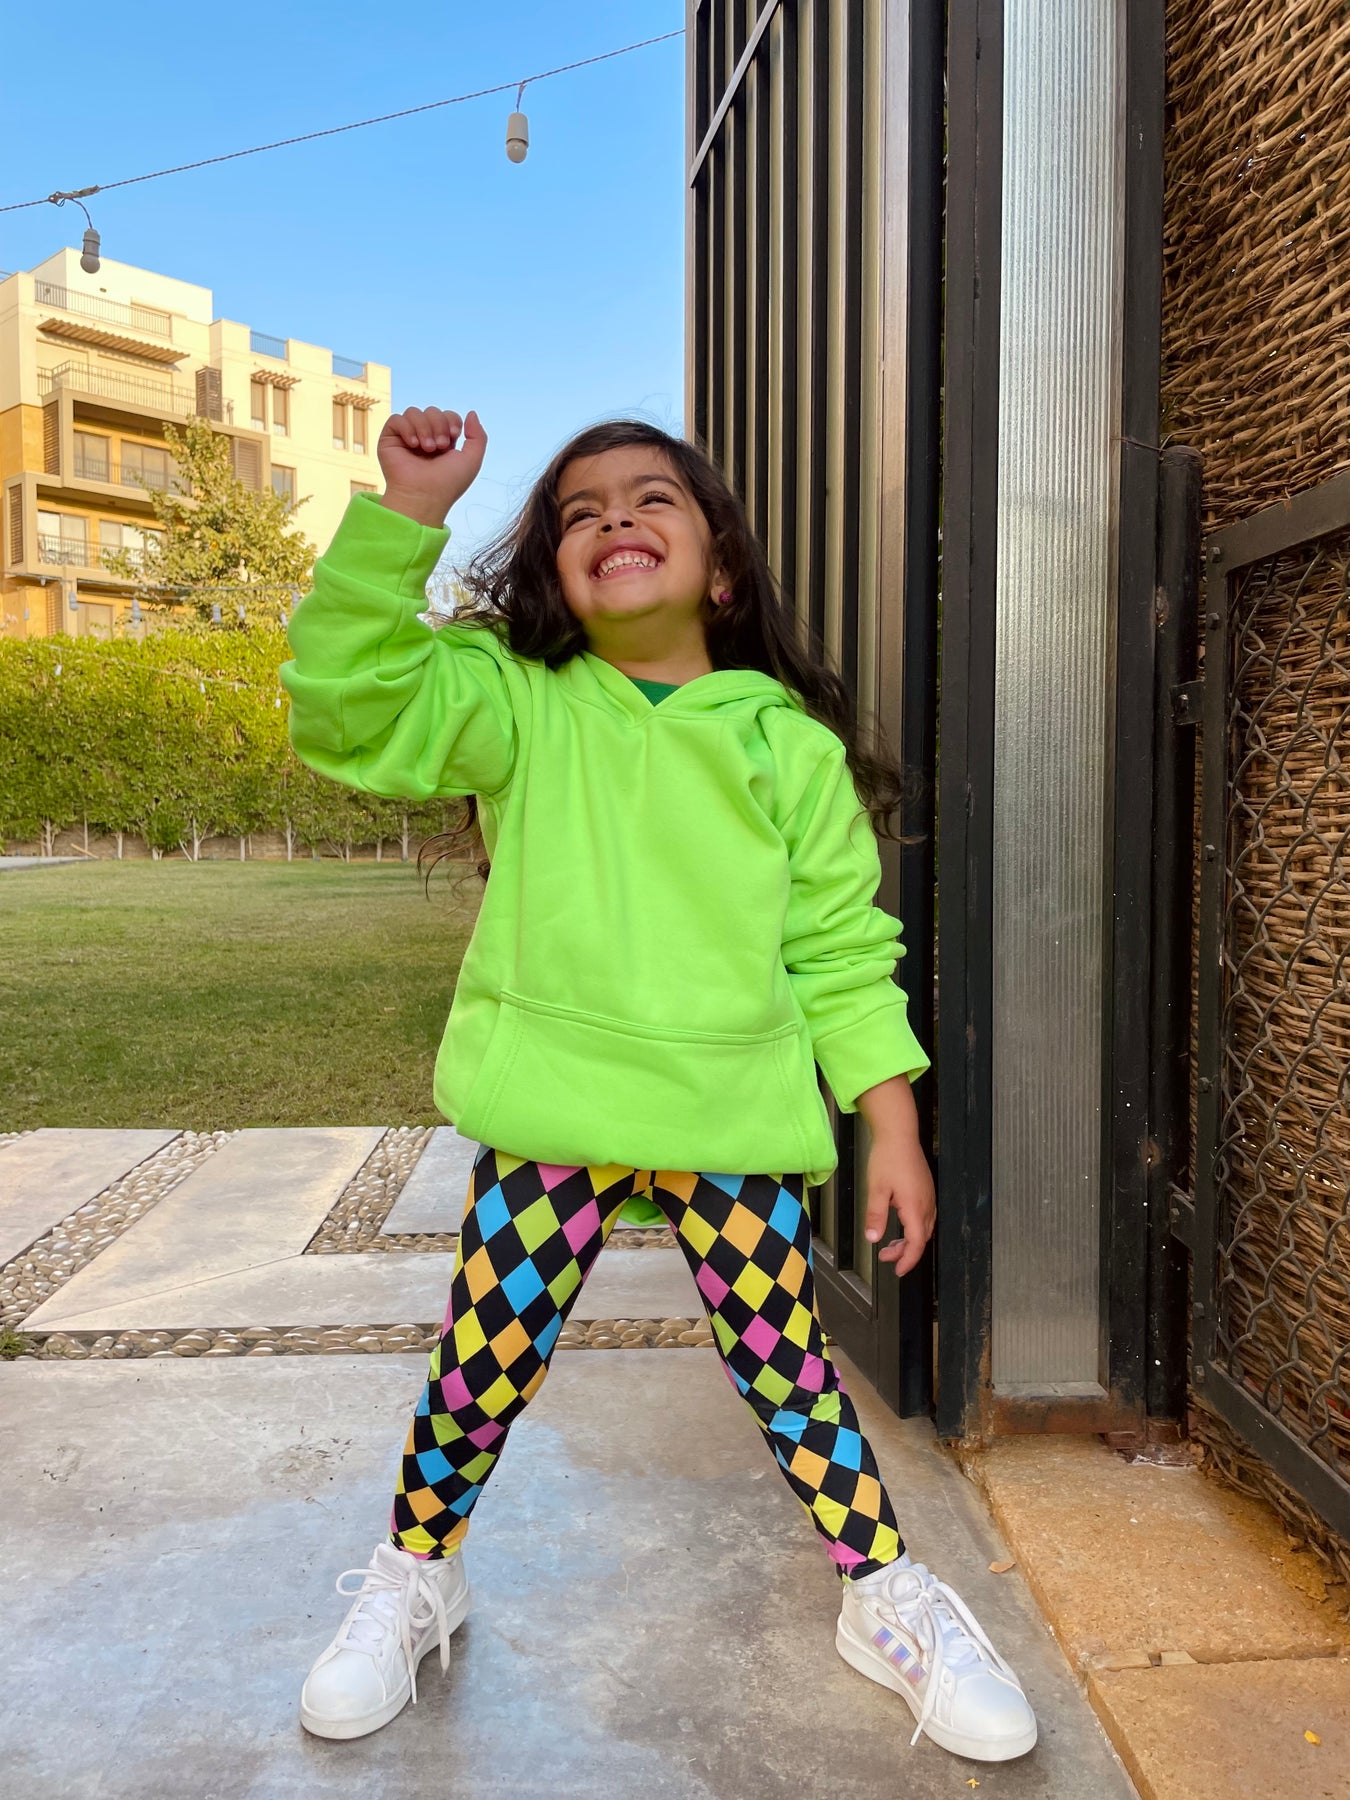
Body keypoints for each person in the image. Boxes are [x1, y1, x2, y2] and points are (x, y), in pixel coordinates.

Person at [278, 405, 1037, 1764]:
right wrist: (409, 511)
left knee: (788, 1372)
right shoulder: (512, 701)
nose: (615, 518)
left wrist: (894, 1124)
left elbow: (840, 952)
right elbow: (350, 702)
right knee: (480, 1366)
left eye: (651, 500)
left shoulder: (786, 748)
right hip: (553, 1117)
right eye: (580, 512)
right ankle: (417, 1574)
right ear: (557, 574)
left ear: (722, 569)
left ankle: (884, 1594)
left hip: (725, 1125)